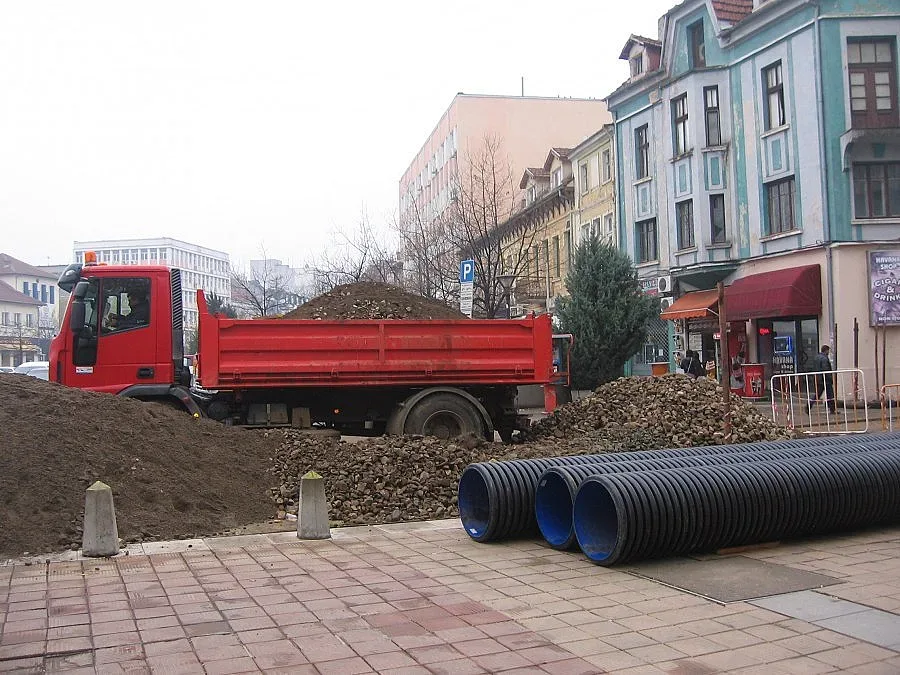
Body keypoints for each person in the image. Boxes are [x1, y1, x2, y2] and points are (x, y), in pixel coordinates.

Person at [812, 344, 836, 413]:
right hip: (825, 380)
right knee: (830, 394)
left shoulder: (816, 357)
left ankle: (809, 405)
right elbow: (826, 369)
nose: (828, 352)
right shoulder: (824, 358)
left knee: (817, 394)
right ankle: (832, 409)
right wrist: (830, 378)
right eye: (828, 351)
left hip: (818, 379)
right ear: (826, 350)